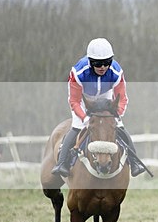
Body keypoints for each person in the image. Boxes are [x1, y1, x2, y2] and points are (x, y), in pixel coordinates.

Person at [51, 38, 147, 177]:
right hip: (83, 99)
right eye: (97, 63)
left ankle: (134, 162)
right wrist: (85, 118)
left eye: (107, 62)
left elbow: (122, 99)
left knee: (120, 127)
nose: (102, 67)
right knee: (77, 127)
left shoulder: (116, 72)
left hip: (105, 97)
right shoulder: (78, 72)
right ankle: (62, 163)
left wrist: (116, 115)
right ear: (90, 62)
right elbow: (74, 101)